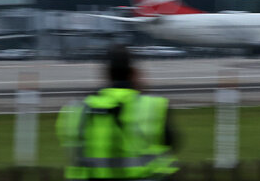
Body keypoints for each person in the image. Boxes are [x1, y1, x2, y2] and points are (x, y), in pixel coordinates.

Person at [57, 44, 177, 179]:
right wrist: (141, 92)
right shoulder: (153, 107)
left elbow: (71, 147)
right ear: (133, 73)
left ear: (107, 73)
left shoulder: (78, 110)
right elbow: (170, 144)